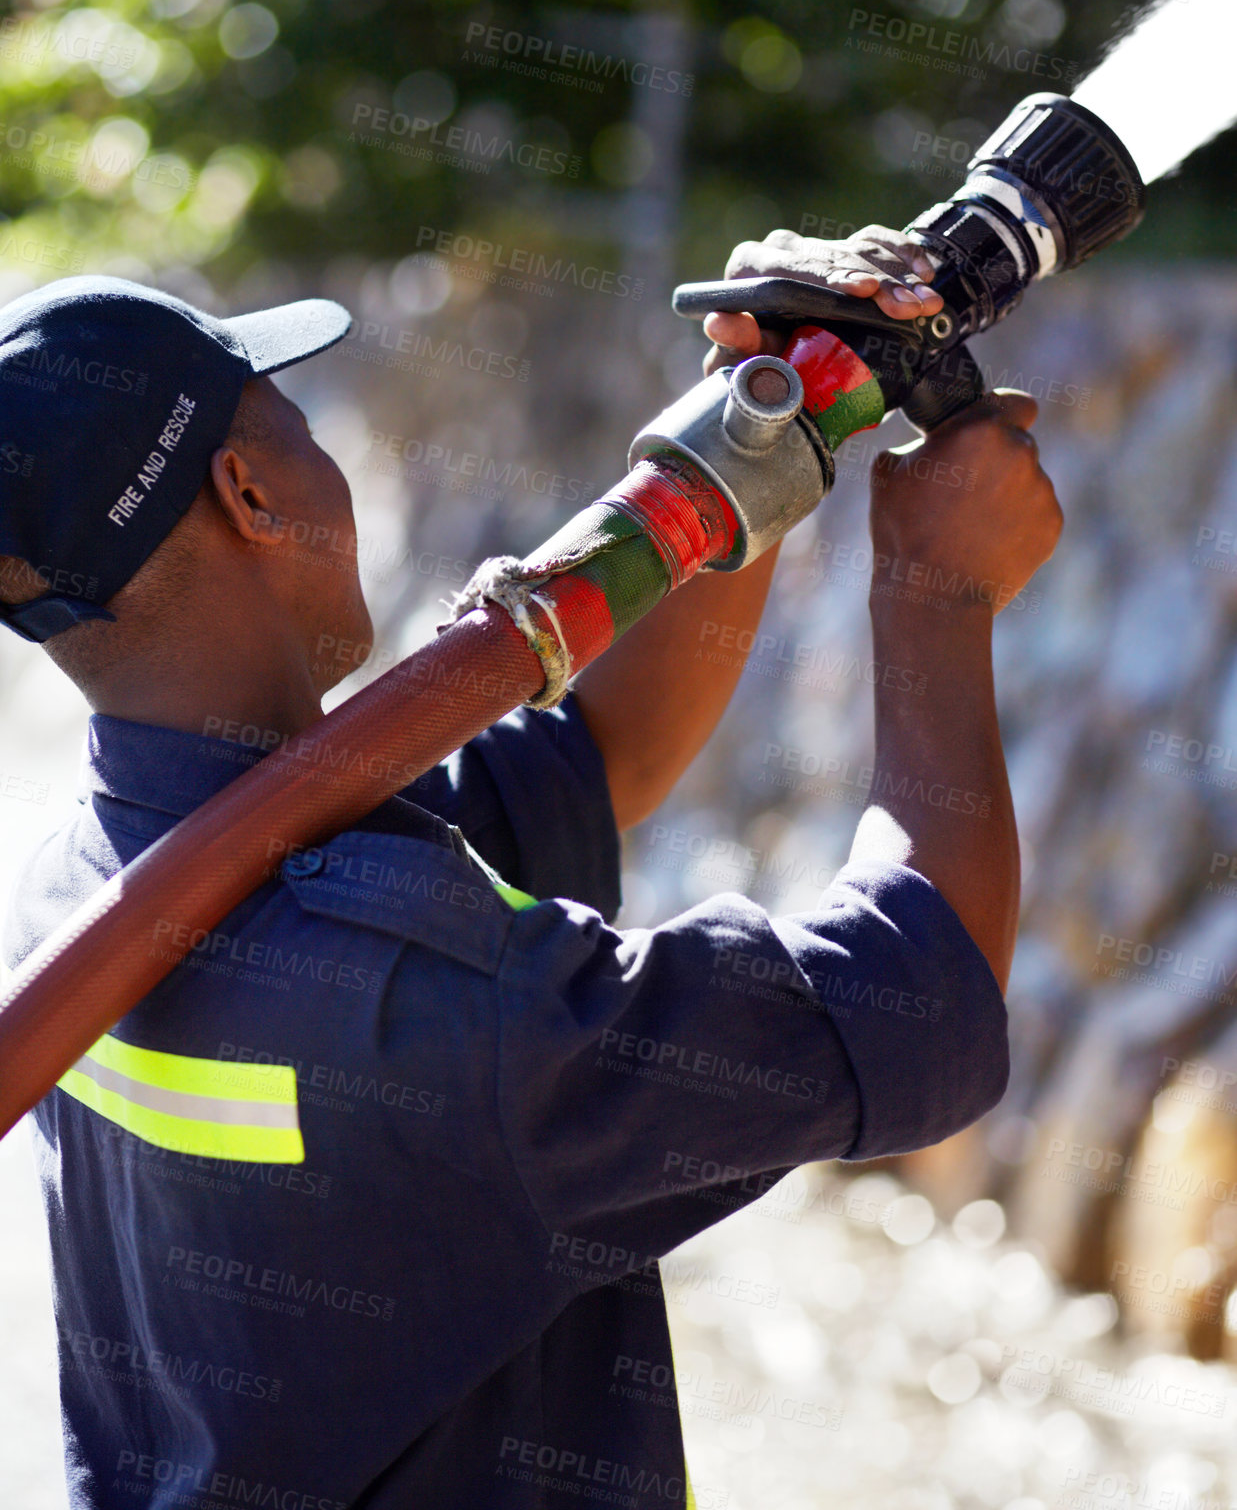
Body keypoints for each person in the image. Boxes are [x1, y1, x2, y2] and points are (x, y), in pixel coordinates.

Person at [0, 225, 1061, 1510]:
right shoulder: (429, 999)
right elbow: (919, 986)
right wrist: (936, 593)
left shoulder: (82, 889)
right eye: (293, 416)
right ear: (251, 494)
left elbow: (595, 755)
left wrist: (764, 447)